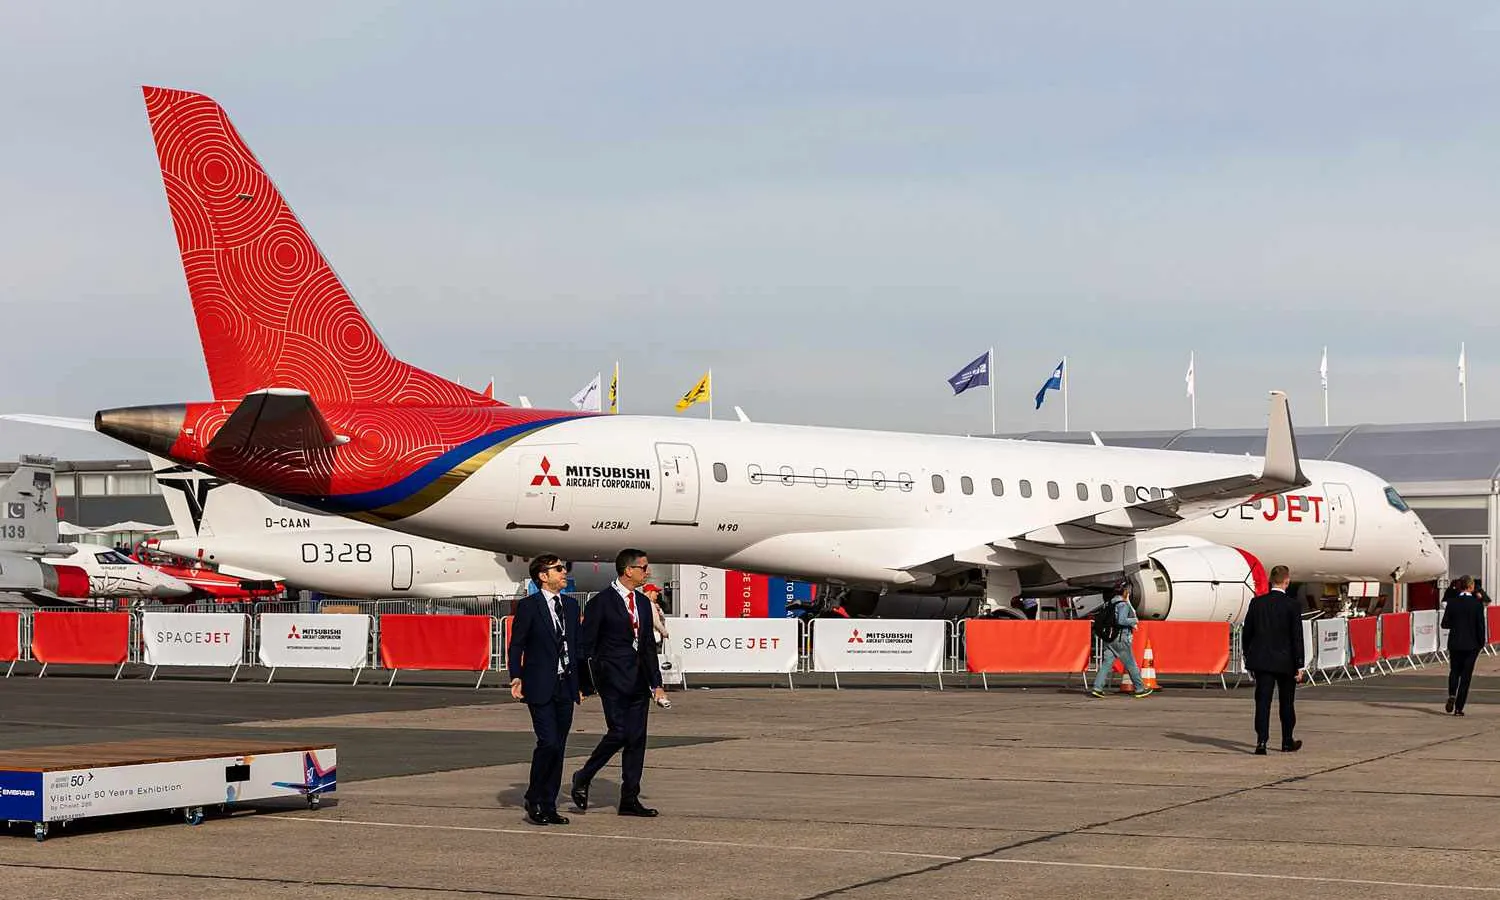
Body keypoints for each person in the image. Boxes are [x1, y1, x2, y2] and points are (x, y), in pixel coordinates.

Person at [571, 548, 667, 817]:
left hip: (638, 681)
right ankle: (584, 775)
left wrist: (656, 683)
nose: (647, 572)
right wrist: (583, 683)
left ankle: (629, 798)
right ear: (629, 570)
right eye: (643, 567)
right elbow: (585, 645)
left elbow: (648, 645)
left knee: (637, 739)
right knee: (620, 733)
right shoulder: (601, 603)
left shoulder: (642, 603)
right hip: (611, 679)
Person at [507, 553, 583, 826]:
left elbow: (576, 648)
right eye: (558, 569)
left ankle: (549, 804)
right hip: (539, 684)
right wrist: (516, 676)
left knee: (559, 747)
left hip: (565, 685)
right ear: (543, 575)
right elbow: (517, 644)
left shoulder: (571, 608)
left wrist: (581, 684)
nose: (564, 572)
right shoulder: (530, 606)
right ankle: (534, 797)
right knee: (548, 742)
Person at [1241, 565, 1305, 755]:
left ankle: (1261, 741)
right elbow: (1297, 637)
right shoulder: (1292, 605)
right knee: (1287, 703)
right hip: (1286, 662)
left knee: (1263, 702)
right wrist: (1299, 664)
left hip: (1262, 660)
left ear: (1270, 581)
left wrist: (1248, 657)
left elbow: (1247, 634)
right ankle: (1287, 741)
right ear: (1287, 581)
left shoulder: (1257, 603)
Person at [1089, 583, 1152, 699]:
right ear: (1123, 592)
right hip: (1120, 638)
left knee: (1106, 664)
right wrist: (1134, 620)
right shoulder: (1123, 604)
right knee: (1131, 664)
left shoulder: (1109, 603)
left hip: (1109, 639)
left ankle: (1097, 688)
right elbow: (1121, 621)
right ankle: (1140, 688)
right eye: (1127, 590)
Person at [1442, 575, 1486, 716]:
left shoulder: (1452, 603)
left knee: (1454, 671)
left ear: (1460, 586)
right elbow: (1480, 626)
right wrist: (1481, 642)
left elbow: (1444, 624)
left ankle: (1452, 694)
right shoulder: (1477, 604)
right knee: (1466, 676)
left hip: (1455, 642)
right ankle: (1459, 708)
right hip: (1472, 644)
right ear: (1471, 586)